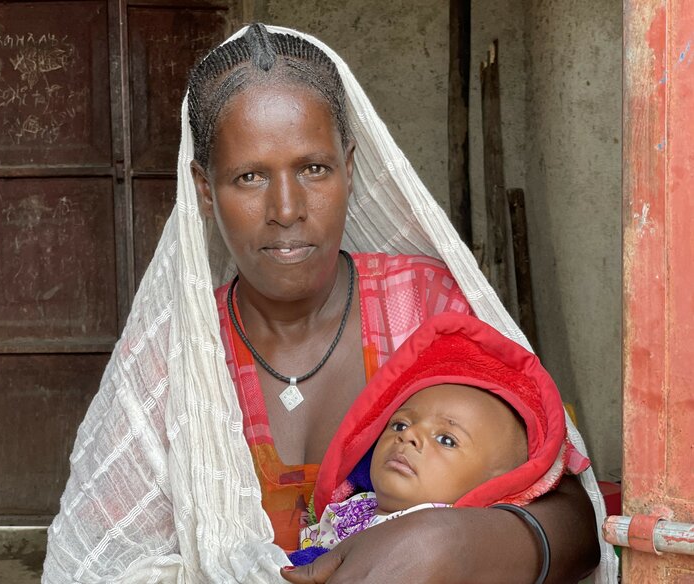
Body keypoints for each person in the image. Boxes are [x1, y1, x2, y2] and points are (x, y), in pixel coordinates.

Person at [43, 24, 616, 584]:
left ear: (350, 163)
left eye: (313, 168)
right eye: (248, 177)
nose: (287, 208)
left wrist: (455, 544)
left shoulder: (429, 309)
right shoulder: (173, 356)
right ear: (202, 186)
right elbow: (100, 562)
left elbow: (575, 518)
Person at [288, 313, 590, 578]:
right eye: (400, 424)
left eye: (446, 439)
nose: (407, 437)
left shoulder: (466, 550)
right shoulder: (352, 508)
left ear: (499, 483)